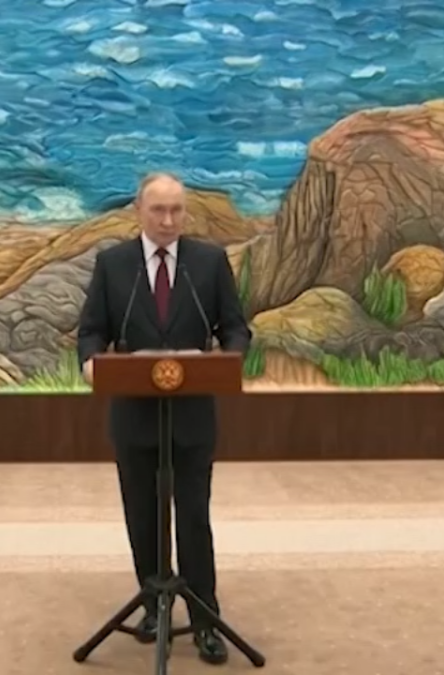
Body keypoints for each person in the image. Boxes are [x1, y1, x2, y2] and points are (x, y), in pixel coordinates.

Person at [76, 172, 252, 665]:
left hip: (192, 416)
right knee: (142, 513)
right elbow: (91, 332)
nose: (169, 220)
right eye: (159, 210)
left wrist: (229, 359)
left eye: (177, 210)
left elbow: (235, 328)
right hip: (134, 415)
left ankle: (204, 619)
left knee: (193, 517)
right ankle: (153, 605)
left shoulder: (209, 262)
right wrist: (90, 363)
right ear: (139, 211)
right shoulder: (113, 265)